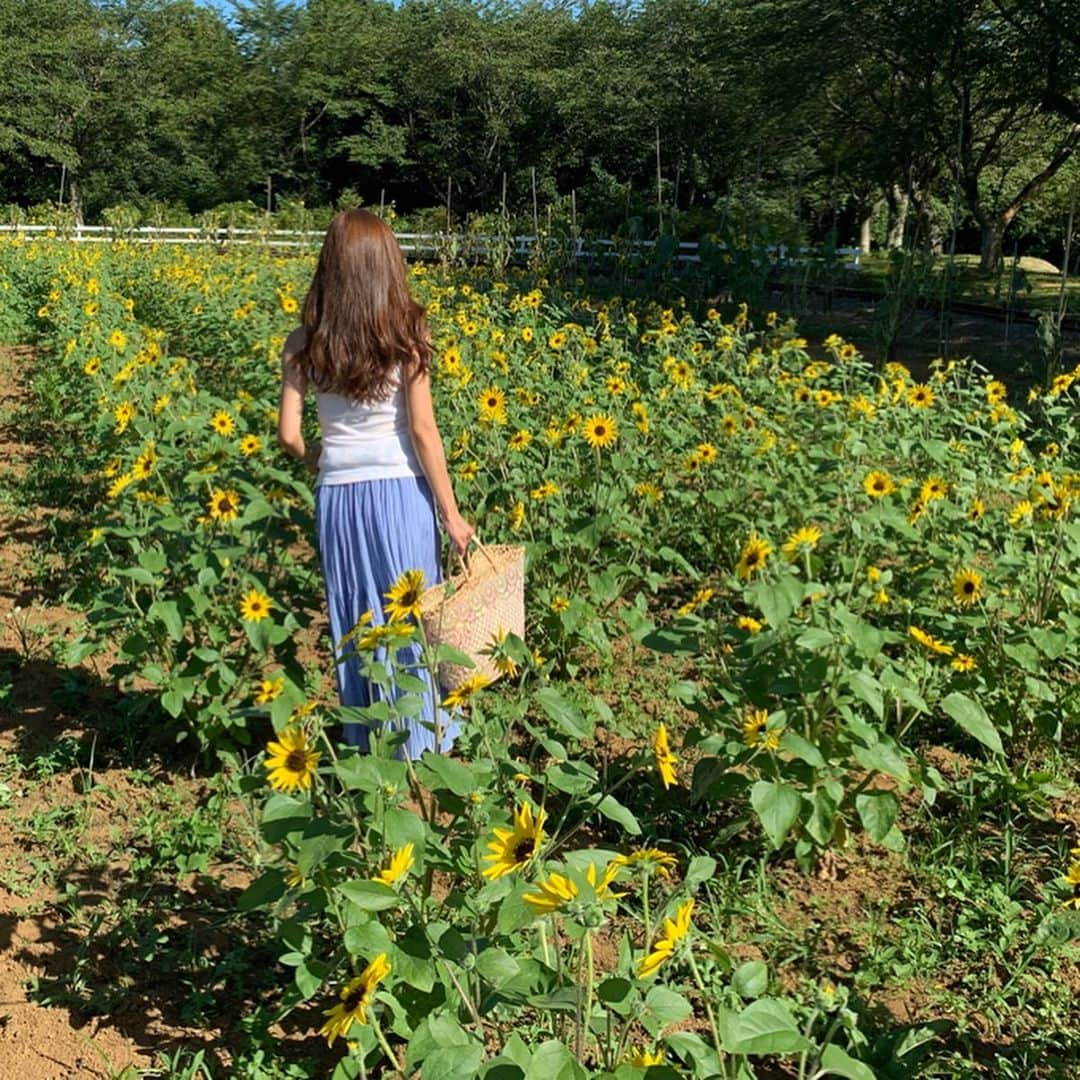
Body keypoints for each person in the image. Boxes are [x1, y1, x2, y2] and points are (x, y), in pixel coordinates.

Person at [277, 208, 474, 758]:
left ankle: (368, 742)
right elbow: (422, 430)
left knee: (357, 616)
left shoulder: (304, 340)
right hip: (399, 494)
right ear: (387, 265)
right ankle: (423, 743)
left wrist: (321, 458)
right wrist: (452, 515)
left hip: (338, 496)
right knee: (410, 616)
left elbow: (289, 435)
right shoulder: (407, 333)